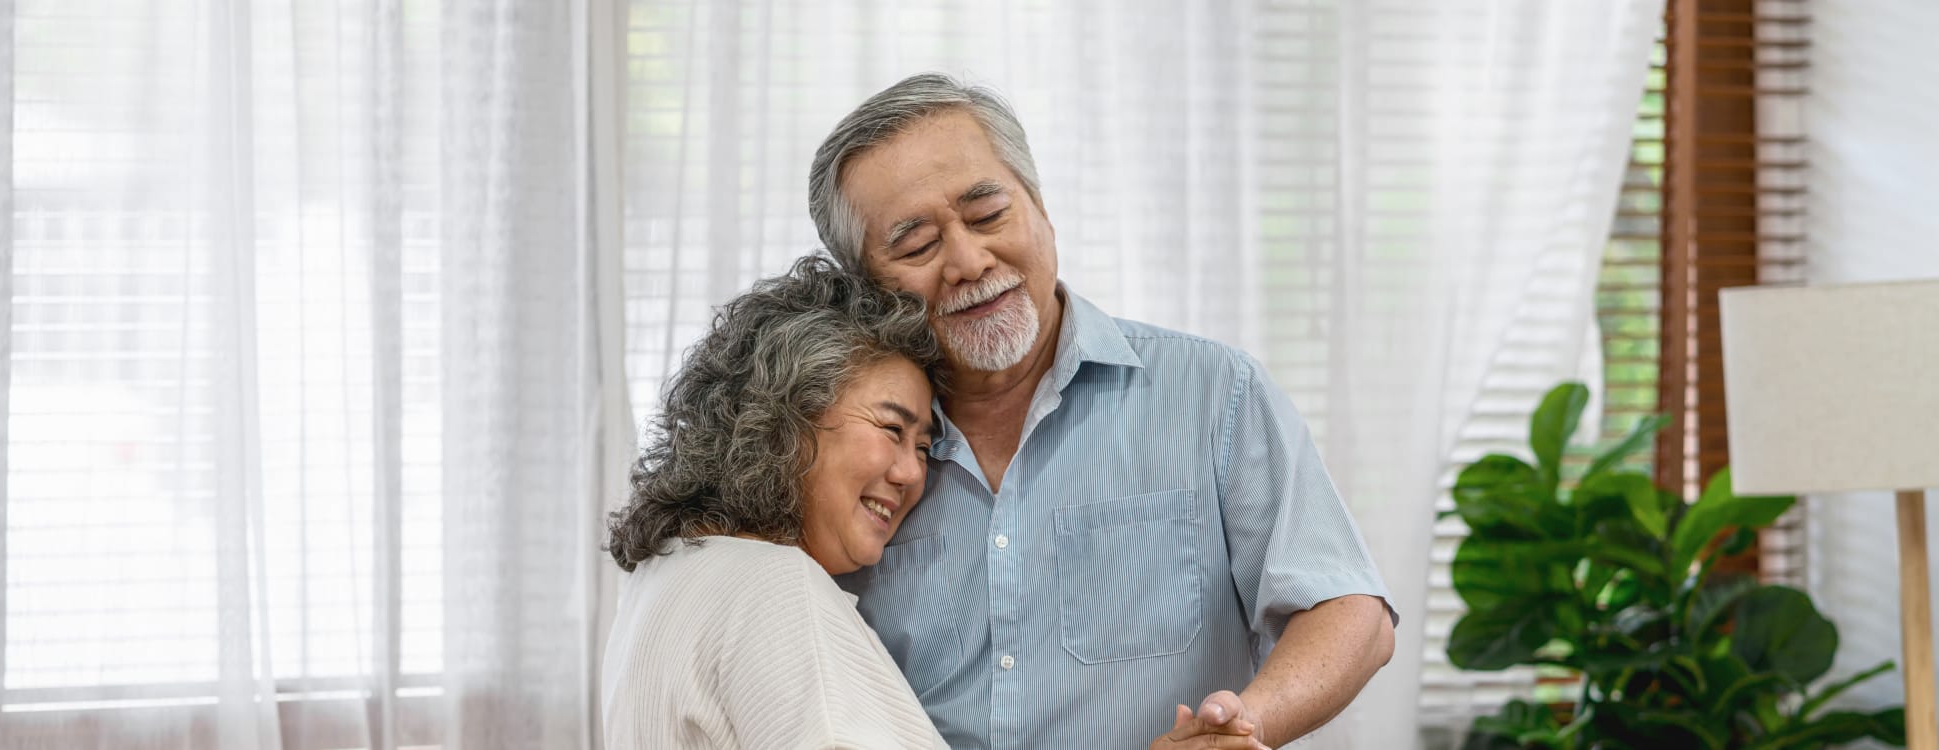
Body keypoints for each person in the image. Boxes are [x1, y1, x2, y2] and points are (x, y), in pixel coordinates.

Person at [812, 73, 1399, 749]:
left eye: (988, 214)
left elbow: (1352, 611)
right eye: (916, 247)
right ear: (863, 289)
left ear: (1041, 210)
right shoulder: (844, 453)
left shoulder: (1214, 392)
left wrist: (1245, 724)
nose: (968, 261)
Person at [600, 256, 949, 749]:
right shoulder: (775, 587)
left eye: (923, 447)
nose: (913, 473)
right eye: (892, 428)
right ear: (786, 418)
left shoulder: (662, 574)